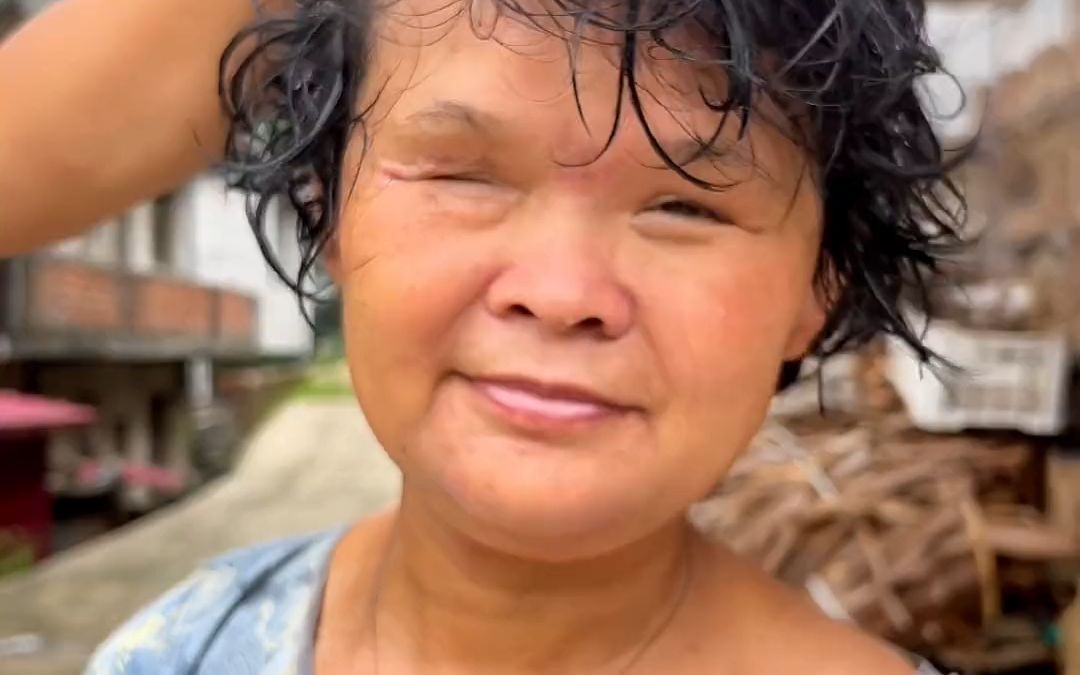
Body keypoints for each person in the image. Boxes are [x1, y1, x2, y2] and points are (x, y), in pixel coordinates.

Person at [1, 0, 964, 673]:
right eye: (464, 175)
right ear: (328, 211)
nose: (561, 294)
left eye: (687, 205)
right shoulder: (178, 650)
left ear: (819, 284)